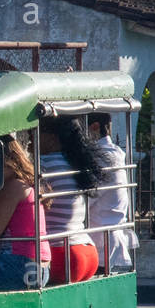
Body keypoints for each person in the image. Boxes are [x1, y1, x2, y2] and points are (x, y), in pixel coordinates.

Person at [0, 135, 50, 290]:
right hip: (38, 268)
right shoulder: (21, 185)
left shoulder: (13, 187)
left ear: (7, 162)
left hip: (20, 265)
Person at [38, 117, 100, 284]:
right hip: (87, 251)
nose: (30, 139)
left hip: (63, 255)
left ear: (52, 137)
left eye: (35, 133)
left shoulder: (43, 164)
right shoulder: (75, 162)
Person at [87, 113, 139, 273]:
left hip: (102, 242)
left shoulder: (101, 156)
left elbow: (87, 198)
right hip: (111, 238)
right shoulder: (114, 152)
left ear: (95, 127)